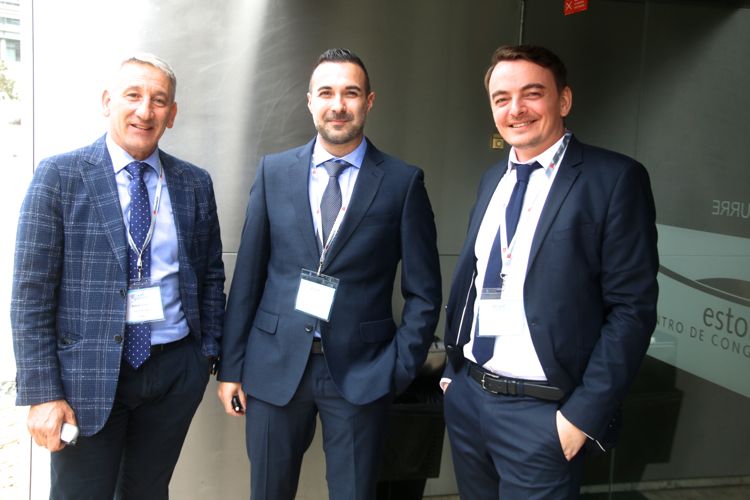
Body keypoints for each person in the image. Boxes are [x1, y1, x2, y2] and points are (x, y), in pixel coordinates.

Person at [217, 48, 442, 500]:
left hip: (363, 372)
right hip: (274, 365)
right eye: (326, 93)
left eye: (350, 93)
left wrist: (397, 368)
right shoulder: (274, 172)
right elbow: (248, 278)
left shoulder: (402, 183)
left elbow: (424, 292)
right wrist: (231, 366)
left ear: (369, 101)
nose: (338, 104)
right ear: (310, 101)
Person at [441, 45, 659, 499]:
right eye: (502, 98)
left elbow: (632, 310)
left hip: (544, 416)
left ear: (564, 100)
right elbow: (475, 283)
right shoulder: (492, 180)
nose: (516, 109)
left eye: (532, 93)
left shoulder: (613, 179)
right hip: (469, 400)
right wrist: (452, 373)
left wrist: (580, 417)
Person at [11, 53, 225, 499]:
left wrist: (203, 356)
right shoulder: (59, 176)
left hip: (173, 372)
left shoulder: (193, 183)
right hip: (85, 376)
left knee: (148, 492)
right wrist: (43, 392)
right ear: (107, 101)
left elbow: (209, 274)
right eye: (133, 96)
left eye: (159, 100)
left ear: (172, 114)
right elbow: (31, 295)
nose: (145, 110)